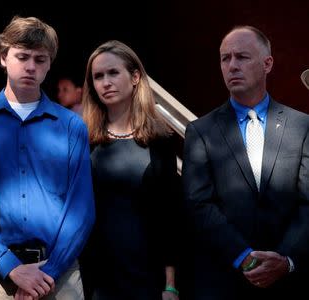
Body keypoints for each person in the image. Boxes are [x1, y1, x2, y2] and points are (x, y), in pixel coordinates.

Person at [0, 16, 95, 300]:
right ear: (3, 58)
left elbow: (82, 208)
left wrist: (50, 271)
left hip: (60, 275)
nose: (30, 66)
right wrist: (9, 266)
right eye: (22, 56)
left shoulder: (71, 126)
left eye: (40, 59)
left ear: (50, 63)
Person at [182, 25, 309, 300]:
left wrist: (284, 261)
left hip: (289, 281)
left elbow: (307, 203)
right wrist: (245, 258)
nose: (232, 65)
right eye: (225, 58)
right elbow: (198, 204)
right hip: (223, 280)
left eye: (242, 57)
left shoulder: (302, 126)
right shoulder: (200, 131)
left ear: (267, 64)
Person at [80, 40, 181, 300]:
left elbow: (170, 215)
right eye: (98, 76)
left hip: (148, 274)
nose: (105, 82)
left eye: (113, 73)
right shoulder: (82, 139)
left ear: (135, 76)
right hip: (95, 275)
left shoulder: (162, 139)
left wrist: (170, 285)